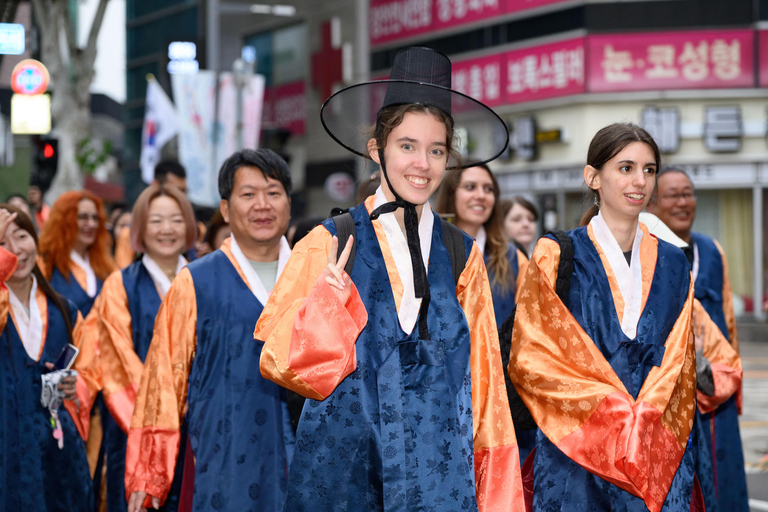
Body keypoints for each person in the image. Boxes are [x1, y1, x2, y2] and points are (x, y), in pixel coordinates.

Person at [255, 46, 523, 511]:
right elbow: (277, 358)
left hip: (438, 479)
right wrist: (324, 309)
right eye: (407, 146)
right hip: (341, 478)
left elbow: (488, 391)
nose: (422, 164)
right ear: (376, 150)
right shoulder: (329, 242)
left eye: (436, 150)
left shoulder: (462, 255)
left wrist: (499, 496)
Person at [510, 123, 701, 512]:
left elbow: (682, 365)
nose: (640, 181)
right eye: (626, 168)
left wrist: (643, 420)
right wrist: (613, 415)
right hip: (575, 453)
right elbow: (532, 358)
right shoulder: (556, 253)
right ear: (593, 177)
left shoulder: (674, 262)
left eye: (649, 170)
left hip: (653, 450)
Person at [126, 149, 295, 512]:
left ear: (288, 202)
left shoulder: (314, 275)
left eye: (273, 192)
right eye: (248, 195)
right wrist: (149, 473)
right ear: (224, 208)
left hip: (308, 462)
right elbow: (162, 382)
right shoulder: (195, 282)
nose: (262, 205)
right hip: (226, 460)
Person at [74, 184, 197, 512]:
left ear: (188, 225)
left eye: (175, 219)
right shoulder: (120, 284)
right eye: (156, 221)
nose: (167, 229)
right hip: (137, 436)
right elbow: (119, 368)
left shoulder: (207, 279)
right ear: (140, 227)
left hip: (200, 434)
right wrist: (160, 429)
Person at [646, 166, 749, 512]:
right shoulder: (650, 252)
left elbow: (728, 324)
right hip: (671, 391)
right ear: (652, 203)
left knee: (725, 479)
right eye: (672, 195)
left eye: (687, 193)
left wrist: (731, 385)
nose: (682, 202)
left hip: (714, 383)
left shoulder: (712, 249)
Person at [0, 205, 94, 511]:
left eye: (22, 235)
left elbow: (91, 373)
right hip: (7, 453)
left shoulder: (65, 311)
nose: (15, 250)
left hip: (59, 455)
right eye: (2, 243)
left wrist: (75, 387)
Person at [39, 190, 117, 317]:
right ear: (64, 220)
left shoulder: (105, 268)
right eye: (83, 217)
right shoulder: (47, 265)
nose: (91, 224)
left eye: (95, 218)